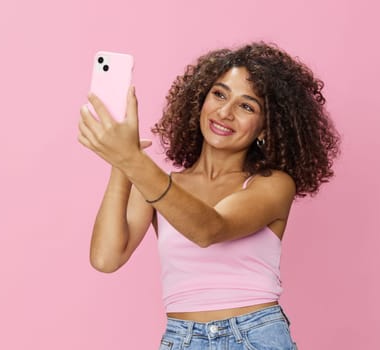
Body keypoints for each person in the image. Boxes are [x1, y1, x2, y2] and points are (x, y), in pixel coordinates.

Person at [78, 42, 340, 350]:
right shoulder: (155, 185)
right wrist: (122, 162)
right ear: (199, 100)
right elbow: (106, 258)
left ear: (264, 129)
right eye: (219, 94)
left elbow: (209, 229)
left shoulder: (272, 185)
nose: (225, 112)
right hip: (182, 338)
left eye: (247, 106)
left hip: (254, 337)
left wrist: (133, 160)